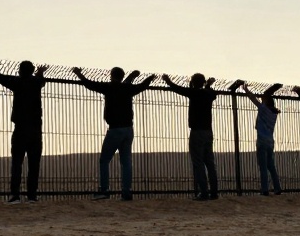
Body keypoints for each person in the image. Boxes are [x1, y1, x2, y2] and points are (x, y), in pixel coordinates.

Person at [72, 66, 157, 201]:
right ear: (122, 77)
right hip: (128, 129)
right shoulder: (127, 89)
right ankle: (127, 191)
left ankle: (105, 190)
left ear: (111, 75)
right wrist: (150, 78)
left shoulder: (110, 87)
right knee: (126, 161)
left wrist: (79, 74)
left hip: (115, 129)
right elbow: (141, 86)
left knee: (105, 160)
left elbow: (90, 84)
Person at [0, 60, 49, 203]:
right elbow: (41, 81)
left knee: (17, 162)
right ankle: (32, 195)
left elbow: (2, 79)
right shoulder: (35, 83)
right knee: (34, 164)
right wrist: (40, 73)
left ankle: (15, 194)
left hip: (21, 128)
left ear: (20, 71)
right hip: (35, 129)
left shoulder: (18, 82)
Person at [162, 73, 221, 200]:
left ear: (193, 83)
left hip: (197, 131)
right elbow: (212, 94)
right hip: (208, 131)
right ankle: (214, 192)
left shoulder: (194, 93)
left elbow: (178, 89)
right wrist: (208, 85)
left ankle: (203, 192)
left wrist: (168, 81)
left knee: (198, 162)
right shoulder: (208, 94)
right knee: (210, 163)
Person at [236, 81, 283, 196]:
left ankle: (265, 189)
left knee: (262, 166)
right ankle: (277, 188)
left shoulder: (264, 109)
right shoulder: (273, 114)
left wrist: (246, 90)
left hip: (262, 141)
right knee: (271, 166)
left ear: (266, 102)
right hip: (270, 141)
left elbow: (254, 100)